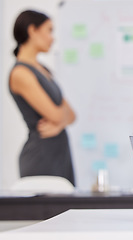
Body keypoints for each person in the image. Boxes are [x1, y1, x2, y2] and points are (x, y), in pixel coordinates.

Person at [8, 10, 76, 185]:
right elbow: (58, 114)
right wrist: (62, 118)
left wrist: (60, 122)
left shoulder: (43, 70)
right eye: (49, 30)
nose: (52, 38)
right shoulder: (21, 73)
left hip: (59, 154)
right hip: (41, 158)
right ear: (32, 30)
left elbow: (72, 115)